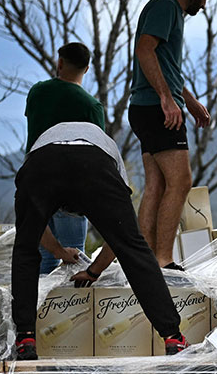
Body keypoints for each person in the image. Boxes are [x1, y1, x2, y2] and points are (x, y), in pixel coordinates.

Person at [11, 121, 185, 360]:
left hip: (41, 164)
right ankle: (173, 337)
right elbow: (121, 238)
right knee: (134, 248)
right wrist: (91, 270)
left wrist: (82, 265)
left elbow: (33, 231)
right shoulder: (109, 153)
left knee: (25, 248)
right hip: (93, 162)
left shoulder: (43, 148)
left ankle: (25, 338)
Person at [129, 0, 217, 269]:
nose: (205, 4)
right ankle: (164, 259)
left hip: (146, 106)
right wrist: (167, 99)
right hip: (156, 108)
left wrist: (187, 99)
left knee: (157, 184)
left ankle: (147, 260)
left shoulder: (168, 10)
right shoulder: (165, 6)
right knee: (180, 182)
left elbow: (165, 66)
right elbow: (144, 49)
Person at [25, 42, 107, 274]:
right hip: (72, 192)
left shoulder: (37, 93)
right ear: (87, 69)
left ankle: (40, 310)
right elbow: (97, 153)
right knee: (74, 266)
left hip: (37, 186)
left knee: (43, 263)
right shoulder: (91, 106)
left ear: (60, 63)